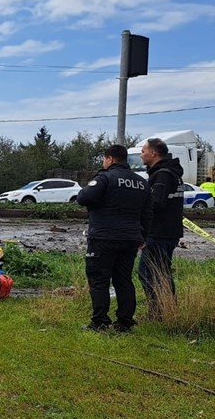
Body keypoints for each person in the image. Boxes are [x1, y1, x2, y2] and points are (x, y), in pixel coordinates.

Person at [76, 144, 151, 332]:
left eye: (104, 159)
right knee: (123, 280)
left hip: (104, 237)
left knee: (99, 279)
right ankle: (125, 322)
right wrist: (143, 236)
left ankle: (100, 321)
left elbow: (83, 197)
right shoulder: (141, 182)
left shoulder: (105, 178)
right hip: (130, 239)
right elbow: (148, 213)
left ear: (110, 159)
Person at [137, 137, 184, 320]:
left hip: (160, 232)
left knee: (147, 272)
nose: (141, 154)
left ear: (153, 153)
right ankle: (168, 310)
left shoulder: (162, 174)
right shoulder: (170, 172)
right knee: (162, 272)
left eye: (143, 151)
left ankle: (157, 313)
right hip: (169, 231)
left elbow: (156, 203)